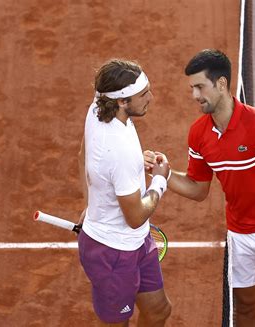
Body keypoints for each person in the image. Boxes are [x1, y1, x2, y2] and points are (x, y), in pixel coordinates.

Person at [144, 49, 255, 326]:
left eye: (200, 87)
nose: (195, 96)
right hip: (239, 234)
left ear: (221, 84)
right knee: (244, 308)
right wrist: (164, 173)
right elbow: (198, 188)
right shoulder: (199, 133)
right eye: (192, 88)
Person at [77, 59, 172, 326]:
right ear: (120, 101)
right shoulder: (119, 152)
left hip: (136, 243)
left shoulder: (97, 108)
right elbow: (135, 217)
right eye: (143, 95)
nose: (151, 98)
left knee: (159, 311)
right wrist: (159, 182)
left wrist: (90, 204)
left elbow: (84, 156)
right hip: (112, 253)